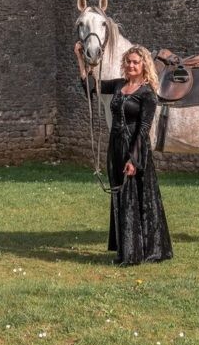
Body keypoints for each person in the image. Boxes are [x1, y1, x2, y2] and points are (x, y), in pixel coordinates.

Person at [74, 40, 173, 266]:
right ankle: (127, 248)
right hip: (116, 145)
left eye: (135, 62)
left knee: (135, 197)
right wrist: (80, 59)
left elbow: (144, 128)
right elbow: (91, 87)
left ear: (144, 65)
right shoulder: (119, 85)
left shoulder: (147, 93)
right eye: (127, 62)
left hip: (135, 148)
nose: (131, 66)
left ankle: (135, 253)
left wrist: (134, 159)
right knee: (120, 196)